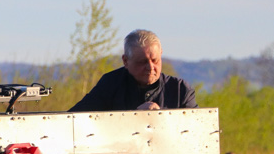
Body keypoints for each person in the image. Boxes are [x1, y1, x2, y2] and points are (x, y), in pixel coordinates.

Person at [69, 29, 197, 112]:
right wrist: (133, 117)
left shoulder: (180, 90)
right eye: (142, 62)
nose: (150, 67)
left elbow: (197, 130)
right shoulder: (110, 84)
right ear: (125, 61)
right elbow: (73, 119)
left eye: (155, 60)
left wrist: (161, 117)